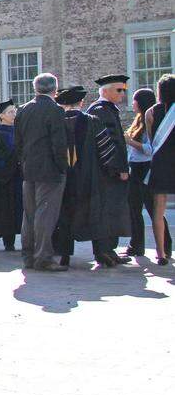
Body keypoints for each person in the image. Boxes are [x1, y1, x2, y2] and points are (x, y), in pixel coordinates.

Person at [13, 73, 69, 272]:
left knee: (29, 214)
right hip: (49, 169)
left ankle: (28, 255)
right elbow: (58, 143)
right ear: (55, 89)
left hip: (29, 168)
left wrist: (24, 161)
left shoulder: (24, 109)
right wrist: (63, 166)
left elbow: (18, 141)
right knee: (45, 214)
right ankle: (43, 257)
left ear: (35, 88)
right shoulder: (55, 110)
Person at [79, 75, 132, 267]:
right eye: (119, 90)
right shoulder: (100, 111)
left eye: (124, 90)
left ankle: (110, 250)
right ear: (106, 91)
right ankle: (102, 251)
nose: (122, 93)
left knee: (112, 211)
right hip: (104, 172)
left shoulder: (107, 110)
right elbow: (108, 144)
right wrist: (118, 168)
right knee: (103, 212)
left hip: (109, 171)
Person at [125, 88, 170, 258]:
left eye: (135, 100)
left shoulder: (150, 119)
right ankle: (137, 245)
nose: (132, 103)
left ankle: (165, 244)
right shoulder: (138, 120)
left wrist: (131, 142)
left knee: (152, 209)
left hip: (145, 168)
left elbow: (150, 149)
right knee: (134, 208)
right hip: (135, 167)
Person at [52, 86, 93, 268]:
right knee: (87, 211)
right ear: (81, 102)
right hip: (84, 174)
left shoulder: (56, 120)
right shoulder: (90, 121)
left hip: (61, 173)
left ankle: (64, 253)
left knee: (63, 213)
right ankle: (100, 251)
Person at [145, 74, 175, 265]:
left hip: (161, 163)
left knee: (158, 210)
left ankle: (161, 253)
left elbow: (151, 139)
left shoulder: (150, 112)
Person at [0, 99, 21, 253]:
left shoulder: (20, 130)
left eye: (14, 111)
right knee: (7, 210)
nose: (14, 114)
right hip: (5, 178)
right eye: (10, 112)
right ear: (1, 116)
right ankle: (9, 242)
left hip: (19, 177)